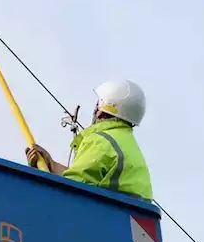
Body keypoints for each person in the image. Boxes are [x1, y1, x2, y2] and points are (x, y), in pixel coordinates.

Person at [25, 78, 153, 200]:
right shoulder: (129, 146)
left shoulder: (101, 141)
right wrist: (51, 165)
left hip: (103, 217)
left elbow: (73, 189)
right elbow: (89, 181)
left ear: (101, 110)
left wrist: (40, 177)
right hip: (121, 218)